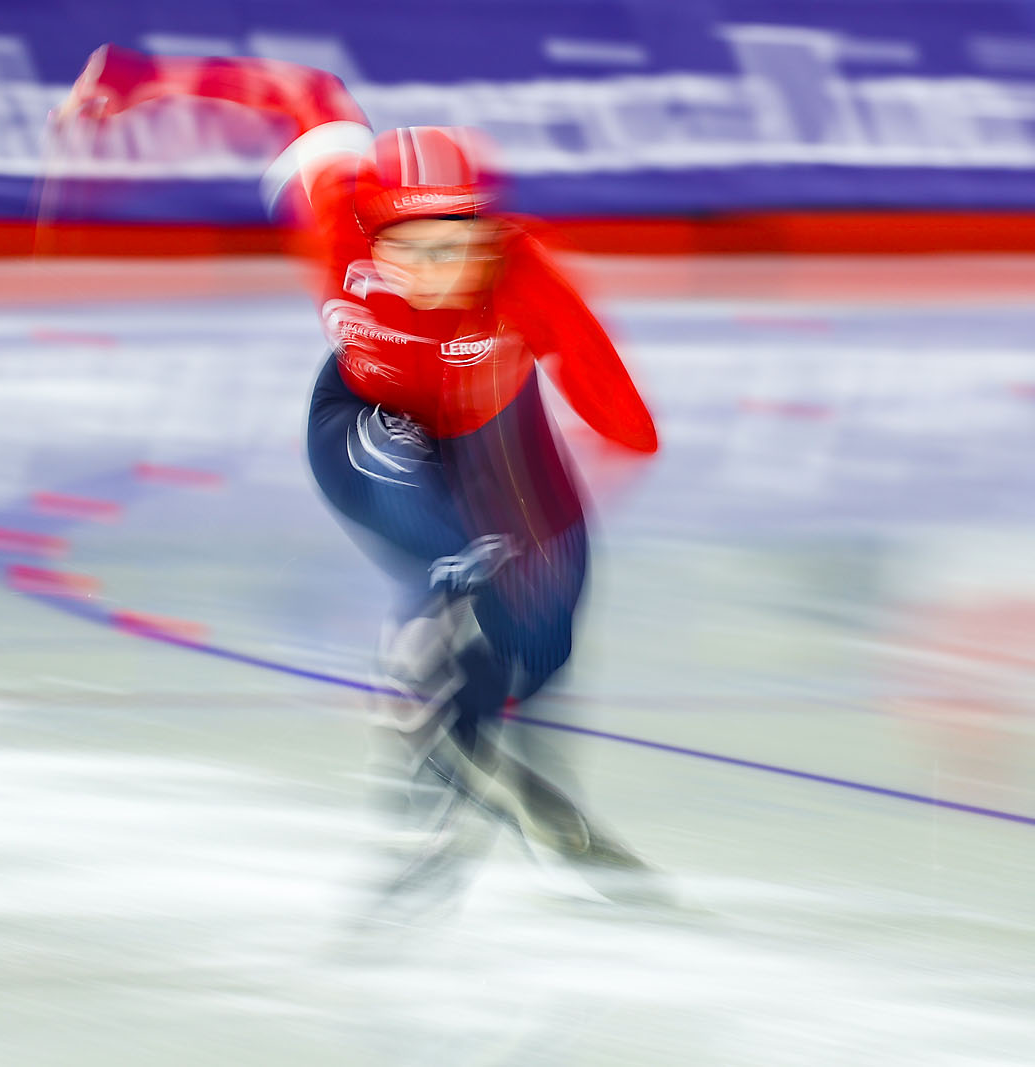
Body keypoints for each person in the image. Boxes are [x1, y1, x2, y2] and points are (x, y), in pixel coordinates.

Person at [56, 46, 669, 913]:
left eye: (451, 250)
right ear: (367, 235)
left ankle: (486, 750)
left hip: (495, 434)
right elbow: (302, 92)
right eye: (404, 253)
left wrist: (555, 519)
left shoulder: (527, 279)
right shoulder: (331, 206)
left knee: (541, 633)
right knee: (459, 550)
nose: (428, 274)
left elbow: (629, 426)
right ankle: (426, 700)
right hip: (364, 420)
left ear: (490, 237)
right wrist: (133, 75)